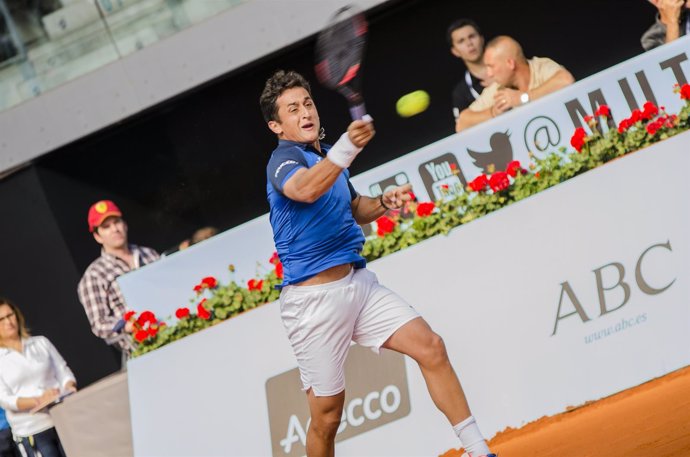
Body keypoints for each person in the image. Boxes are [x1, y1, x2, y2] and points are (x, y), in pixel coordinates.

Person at [260, 70, 496, 457]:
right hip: (313, 303)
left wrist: (384, 202)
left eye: (308, 103)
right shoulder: (283, 160)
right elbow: (305, 189)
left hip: (360, 286)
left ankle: (479, 450)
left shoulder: (325, 159)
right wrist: (344, 150)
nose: (306, 113)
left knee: (431, 347)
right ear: (276, 125)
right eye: (293, 109)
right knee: (327, 418)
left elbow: (355, 208)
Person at [77, 200, 159, 360]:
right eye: (106, 227)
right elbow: (99, 323)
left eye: (117, 222)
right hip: (142, 348)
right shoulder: (94, 275)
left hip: (174, 327)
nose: (115, 229)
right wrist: (127, 324)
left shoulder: (148, 254)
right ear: (97, 236)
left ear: (125, 224)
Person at [0, 298, 77, 457]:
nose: (8, 322)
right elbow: (5, 399)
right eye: (1, 319)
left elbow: (64, 373)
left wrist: (66, 388)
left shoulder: (40, 342)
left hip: (63, 418)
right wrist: (38, 400)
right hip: (33, 429)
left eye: (10, 315)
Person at [456, 35, 574, 132]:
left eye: (491, 66)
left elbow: (566, 80)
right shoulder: (498, 88)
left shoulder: (540, 66)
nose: (489, 73)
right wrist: (493, 112)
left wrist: (523, 98)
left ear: (510, 64)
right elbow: (462, 123)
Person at [447, 19, 492, 125]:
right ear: (455, 51)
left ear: (481, 39)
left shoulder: (507, 66)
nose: (469, 43)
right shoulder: (460, 92)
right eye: (461, 41)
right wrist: (493, 112)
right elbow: (461, 126)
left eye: (472, 36)